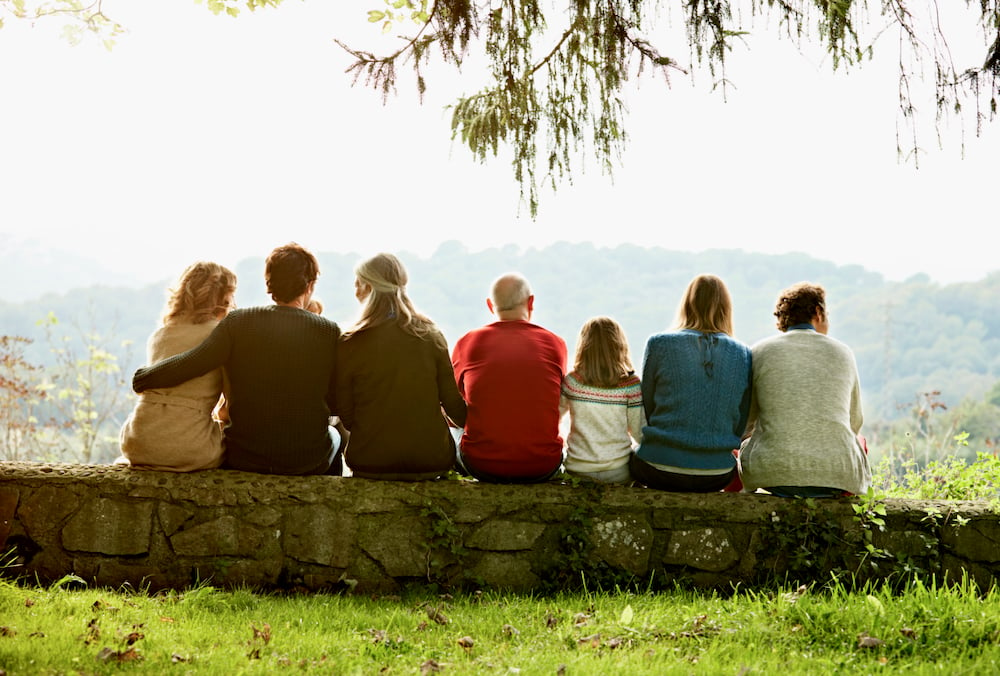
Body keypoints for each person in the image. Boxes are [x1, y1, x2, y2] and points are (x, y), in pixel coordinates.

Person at [132, 243, 343, 476]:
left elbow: (192, 363)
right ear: (310, 285)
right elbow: (336, 400)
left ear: (269, 283)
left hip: (244, 457)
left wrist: (143, 378)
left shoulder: (238, 322)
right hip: (305, 460)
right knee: (335, 435)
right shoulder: (328, 331)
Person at [335, 253, 466, 480]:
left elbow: (345, 410)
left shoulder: (350, 341)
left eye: (357, 284)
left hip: (370, 460)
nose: (355, 291)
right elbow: (453, 404)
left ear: (367, 288)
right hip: (430, 460)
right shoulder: (430, 335)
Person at [737, 282, 871, 497]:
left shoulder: (760, 351)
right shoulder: (843, 352)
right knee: (859, 441)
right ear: (818, 312)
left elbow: (747, 422)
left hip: (772, 475)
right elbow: (854, 421)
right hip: (837, 476)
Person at [630, 274, 752, 492]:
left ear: (687, 303)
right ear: (727, 308)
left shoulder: (659, 344)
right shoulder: (742, 353)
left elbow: (647, 406)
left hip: (657, 467)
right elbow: (740, 420)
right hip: (717, 473)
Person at [119, 262, 236, 471]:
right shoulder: (221, 336)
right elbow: (229, 407)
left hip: (137, 441)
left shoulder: (159, 335)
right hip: (189, 448)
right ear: (222, 298)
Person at [451, 273, 567, 483]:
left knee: (453, 430)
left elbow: (453, 405)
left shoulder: (467, 343)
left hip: (481, 465)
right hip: (543, 465)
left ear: (490, 305)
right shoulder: (555, 344)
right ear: (531, 302)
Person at [559, 317, 645, 483]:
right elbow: (639, 433)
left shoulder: (573, 382)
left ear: (584, 347)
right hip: (618, 471)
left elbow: (553, 417)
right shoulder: (631, 385)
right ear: (620, 346)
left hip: (578, 469)